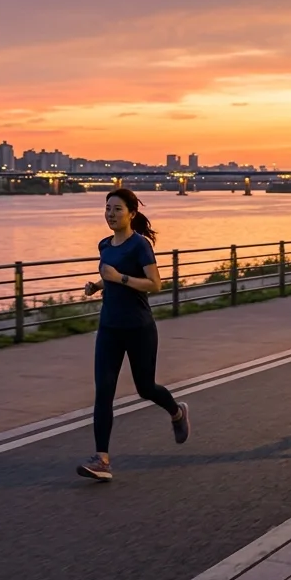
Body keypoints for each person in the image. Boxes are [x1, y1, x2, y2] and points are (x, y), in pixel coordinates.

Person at [77, 189, 189, 481]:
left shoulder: (140, 246)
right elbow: (111, 275)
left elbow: (155, 284)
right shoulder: (105, 245)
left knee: (145, 388)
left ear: (131, 214)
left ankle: (176, 411)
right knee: (104, 391)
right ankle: (102, 459)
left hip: (139, 328)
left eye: (117, 209)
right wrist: (99, 285)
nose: (110, 214)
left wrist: (120, 279)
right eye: (107, 208)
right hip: (109, 328)